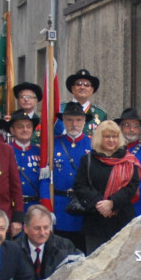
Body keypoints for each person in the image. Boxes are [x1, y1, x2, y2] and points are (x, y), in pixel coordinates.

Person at [73, 120, 141, 252]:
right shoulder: (87, 160)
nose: (111, 140)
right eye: (107, 136)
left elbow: (131, 188)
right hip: (95, 221)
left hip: (122, 219)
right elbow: (80, 186)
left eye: (115, 136)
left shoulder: (129, 160)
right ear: (100, 138)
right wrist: (100, 203)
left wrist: (112, 202)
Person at [50, 103, 94, 250]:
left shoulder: (93, 144)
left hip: (84, 208)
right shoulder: (53, 144)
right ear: (63, 120)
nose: (74, 124)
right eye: (69, 120)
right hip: (59, 208)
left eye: (78, 120)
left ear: (84, 121)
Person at [17, 204, 81, 280]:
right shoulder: (14, 250)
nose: (42, 232)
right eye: (37, 228)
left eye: (46, 227)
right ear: (26, 228)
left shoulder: (65, 246)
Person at [7, 111, 44, 212]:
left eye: (28, 126)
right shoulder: (5, 151)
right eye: (20, 126)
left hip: (35, 207)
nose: (25, 129)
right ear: (12, 130)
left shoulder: (40, 152)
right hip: (12, 207)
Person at [55, 68, 109, 135]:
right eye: (78, 84)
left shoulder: (101, 114)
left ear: (92, 90)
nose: (82, 87)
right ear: (72, 88)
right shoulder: (59, 108)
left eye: (86, 85)